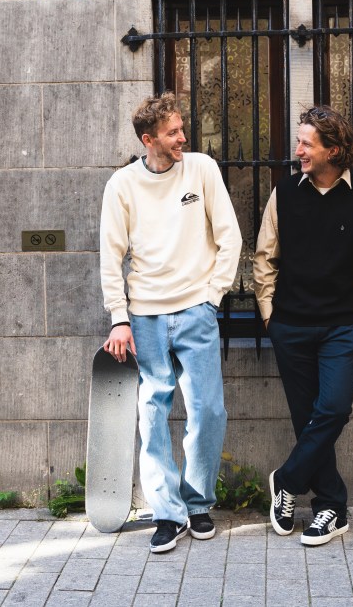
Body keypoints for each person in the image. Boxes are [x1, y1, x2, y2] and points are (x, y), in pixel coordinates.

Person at [99, 93, 242, 553]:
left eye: (182, 129)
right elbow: (110, 256)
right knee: (152, 410)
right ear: (149, 140)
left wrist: (212, 297)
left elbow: (230, 236)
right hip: (145, 315)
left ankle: (197, 503)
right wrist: (119, 319)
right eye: (172, 132)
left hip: (197, 309)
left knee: (208, 410)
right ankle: (167, 512)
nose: (183, 137)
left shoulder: (202, 169)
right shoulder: (122, 185)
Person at [253, 104, 353, 547]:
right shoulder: (284, 193)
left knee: (333, 410)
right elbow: (265, 257)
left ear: (333, 150)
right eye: (299, 142)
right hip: (290, 327)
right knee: (307, 420)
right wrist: (269, 314)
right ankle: (331, 505)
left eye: (306, 144)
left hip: (341, 328)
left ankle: (287, 480)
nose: (298, 150)